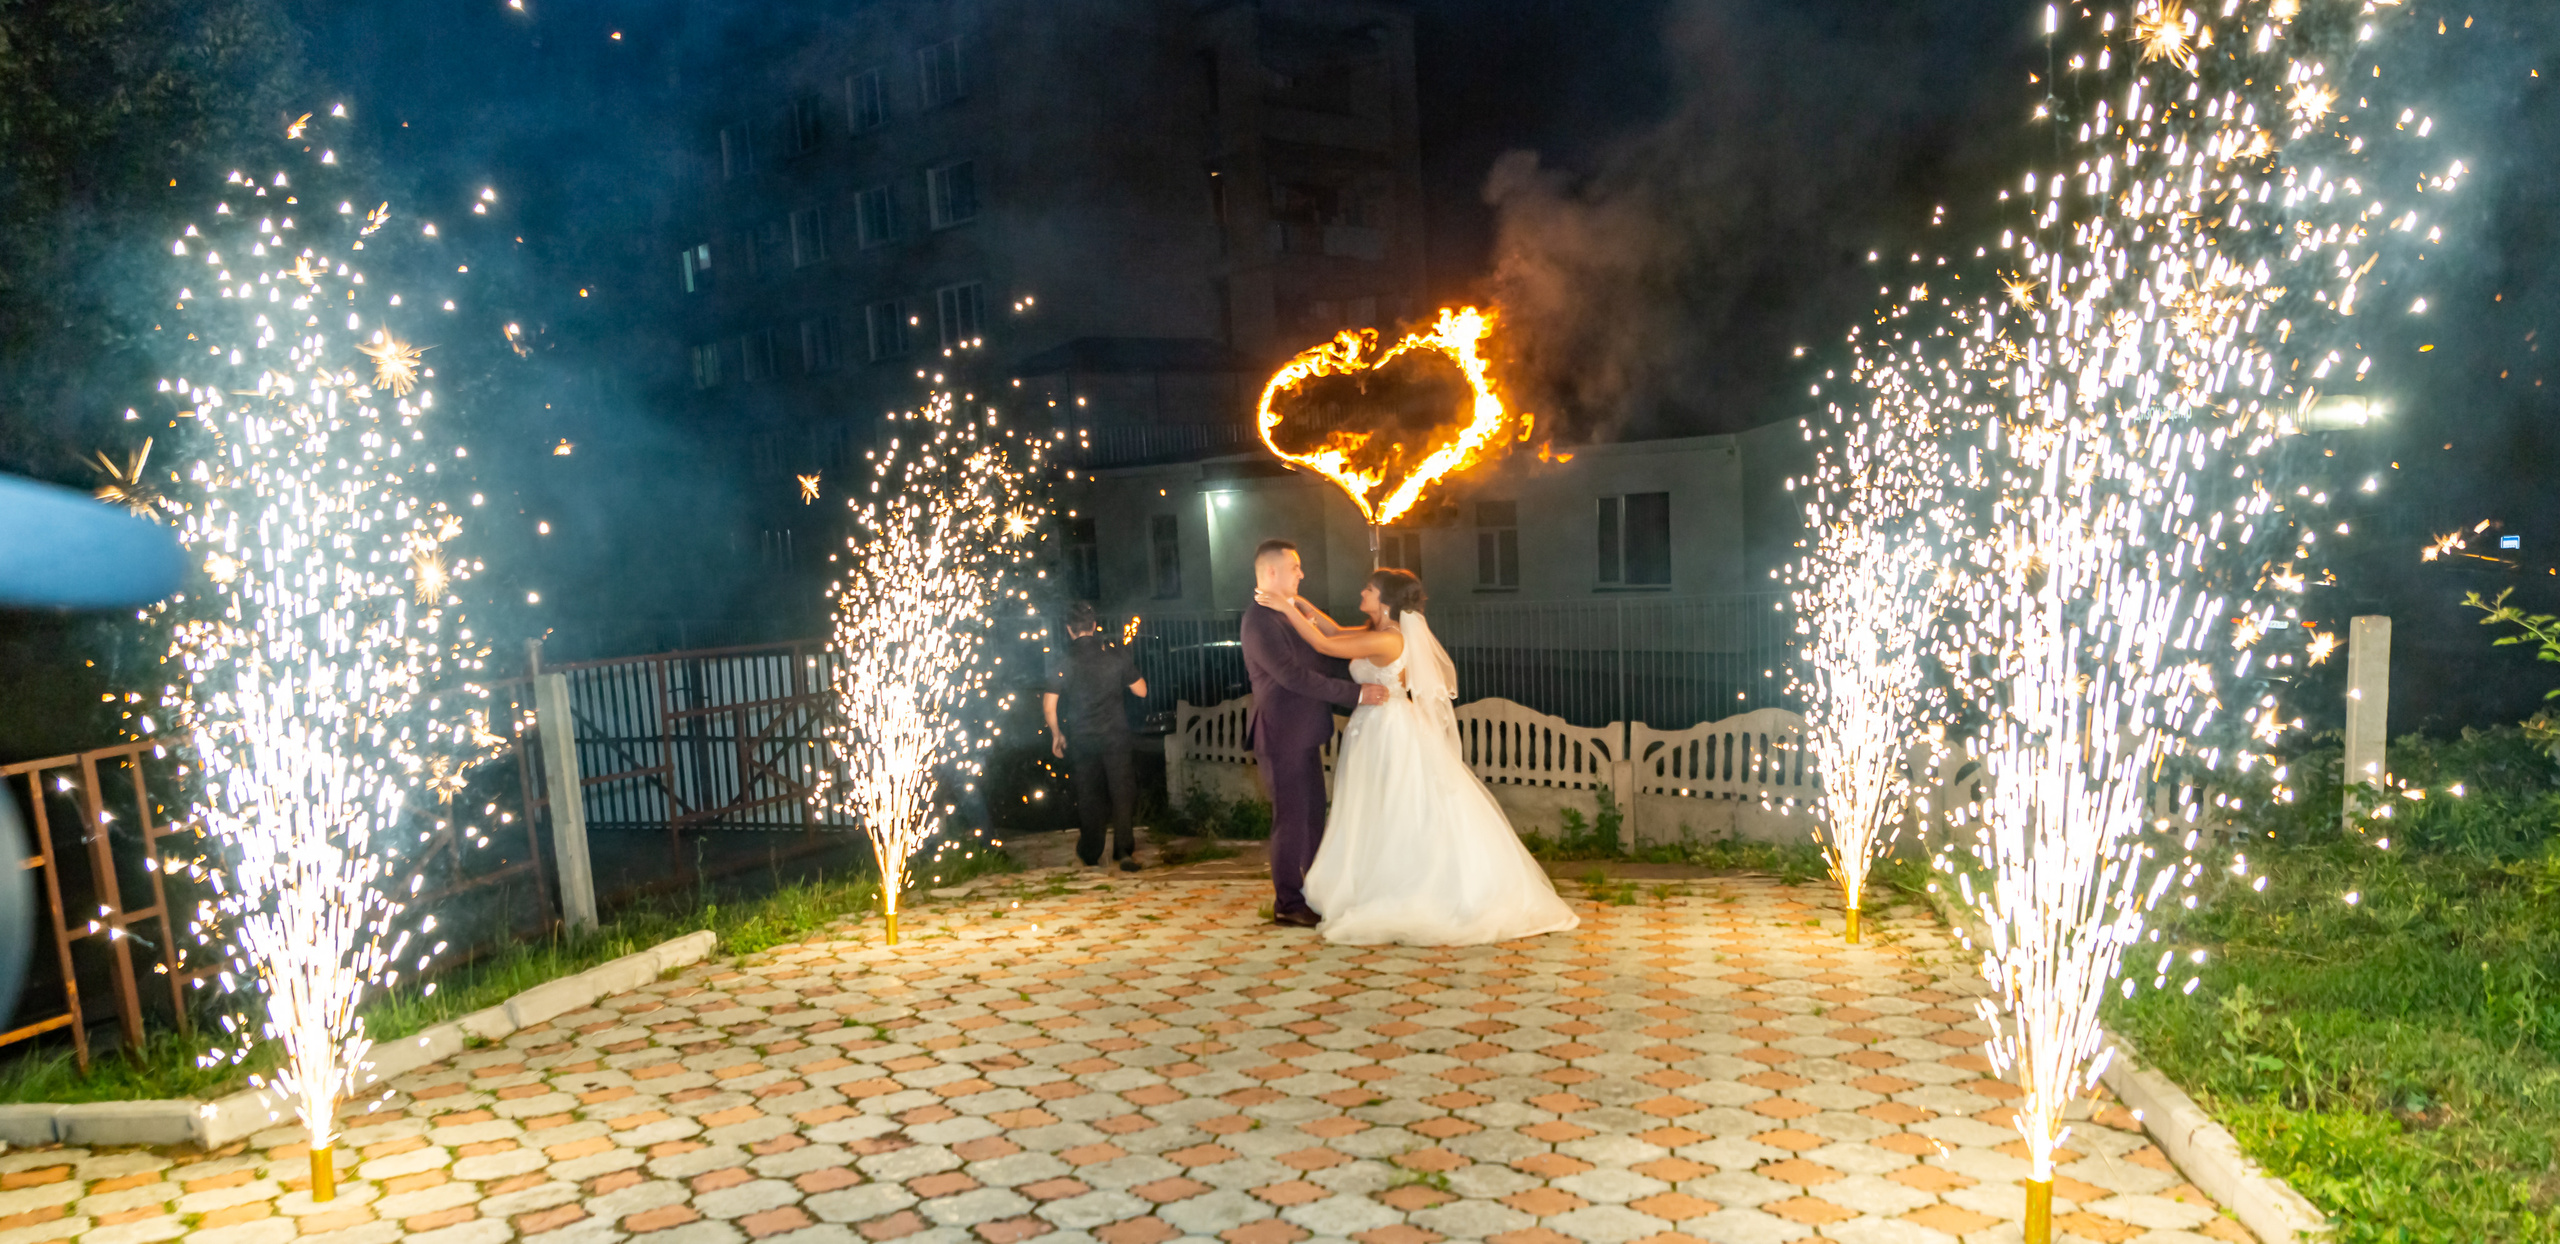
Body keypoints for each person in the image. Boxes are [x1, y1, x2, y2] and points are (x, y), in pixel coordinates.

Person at [1255, 567, 1579, 946]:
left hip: (1387, 731)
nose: (1363, 592)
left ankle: (1405, 887)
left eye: (1370, 589)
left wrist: (1286, 607)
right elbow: (1332, 631)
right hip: (1374, 728)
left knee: (1393, 807)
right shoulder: (1378, 633)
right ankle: (1373, 882)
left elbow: (1325, 646)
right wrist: (1300, 603)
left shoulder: (1389, 641)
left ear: (1386, 600)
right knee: (1375, 809)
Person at [1241, 540, 1390, 926]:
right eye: (1295, 567)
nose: (1301, 573)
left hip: (1304, 732)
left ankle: (1315, 892)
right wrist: (1357, 693)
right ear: (1271, 573)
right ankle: (1288, 903)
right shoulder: (1259, 620)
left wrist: (1368, 667)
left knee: (1312, 818)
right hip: (1281, 734)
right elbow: (1293, 676)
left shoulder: (1286, 613)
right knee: (1290, 819)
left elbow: (1323, 655)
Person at [1044, 602, 1148, 870]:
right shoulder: (1115, 658)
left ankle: (1091, 852)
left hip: (1083, 738)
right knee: (1122, 793)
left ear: (1069, 630)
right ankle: (1123, 851)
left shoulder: (1063, 663)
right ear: (1094, 626)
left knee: (1090, 796)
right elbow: (1142, 691)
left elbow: (1049, 705)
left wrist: (1057, 734)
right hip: (1116, 737)